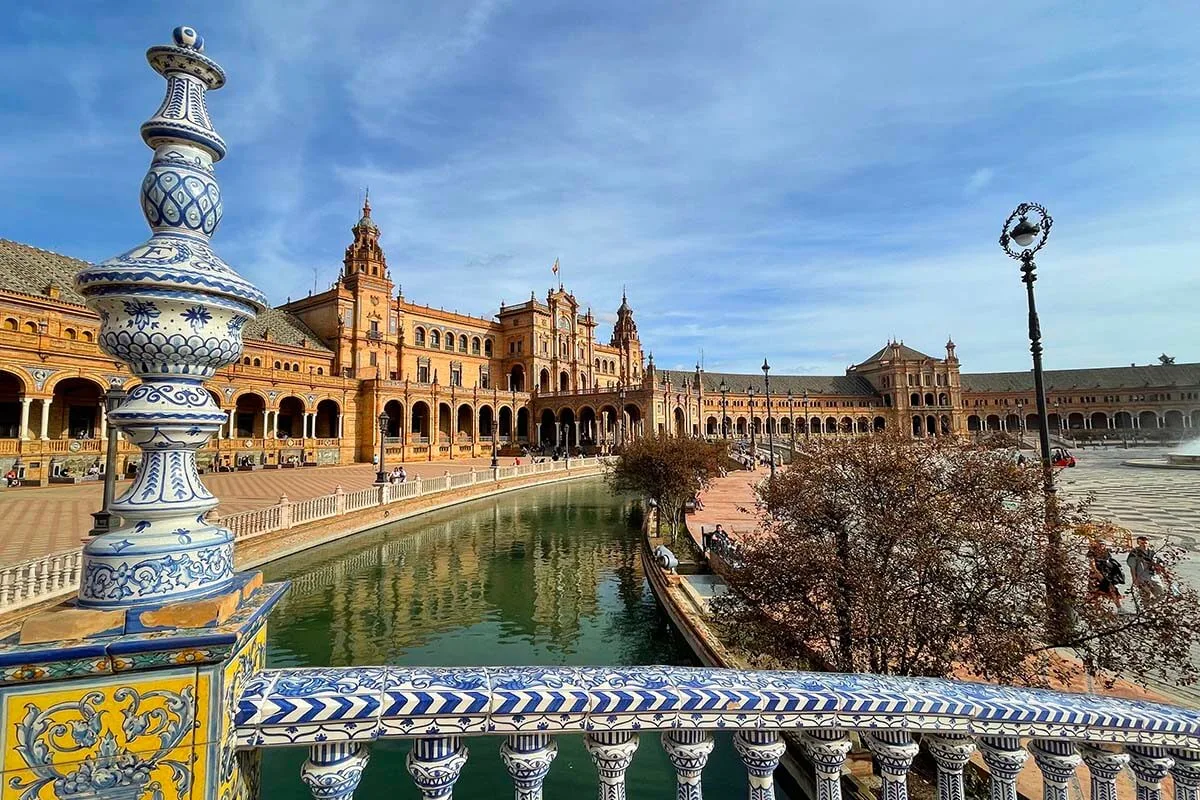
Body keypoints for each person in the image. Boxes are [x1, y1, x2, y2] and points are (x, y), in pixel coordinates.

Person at [1127, 536, 1165, 600]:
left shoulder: (1152, 552)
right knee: (1146, 595)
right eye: (1142, 543)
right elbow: (1132, 567)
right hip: (1142, 576)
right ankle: (1147, 608)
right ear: (1138, 543)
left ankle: (1155, 607)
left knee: (1160, 591)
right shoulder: (1134, 553)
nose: (1144, 545)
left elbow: (1160, 562)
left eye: (1145, 543)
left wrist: (1160, 567)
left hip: (1154, 576)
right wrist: (1134, 579)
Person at [1090, 541, 1124, 607]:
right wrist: (1097, 573)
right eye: (1099, 544)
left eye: (1103, 544)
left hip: (1107, 573)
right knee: (1095, 592)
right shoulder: (1092, 553)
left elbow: (1111, 558)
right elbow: (1092, 564)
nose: (1101, 546)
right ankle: (1094, 608)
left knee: (1113, 589)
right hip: (1097, 574)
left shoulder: (1106, 552)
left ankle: (1119, 606)